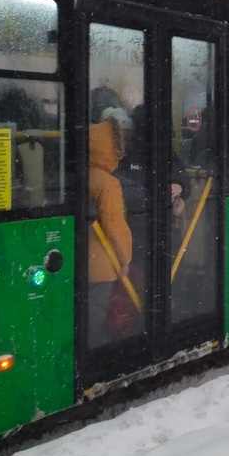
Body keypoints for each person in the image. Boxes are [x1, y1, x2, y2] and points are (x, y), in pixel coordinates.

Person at [87, 118, 132, 347]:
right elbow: (114, 226)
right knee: (95, 316)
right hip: (102, 266)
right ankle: (99, 353)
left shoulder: (83, 174)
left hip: (83, 262)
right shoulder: (108, 183)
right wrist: (125, 259)